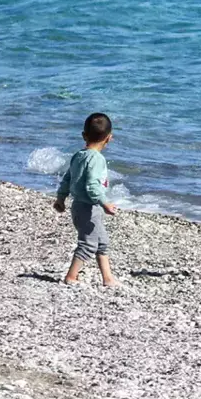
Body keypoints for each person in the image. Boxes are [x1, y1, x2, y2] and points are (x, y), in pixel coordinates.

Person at [53, 113, 119, 286]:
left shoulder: (79, 155)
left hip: (78, 206)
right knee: (88, 244)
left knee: (102, 241)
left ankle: (108, 278)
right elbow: (92, 186)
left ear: (84, 135)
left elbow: (67, 178)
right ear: (109, 138)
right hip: (90, 208)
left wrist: (61, 197)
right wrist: (105, 203)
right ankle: (71, 276)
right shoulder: (96, 159)